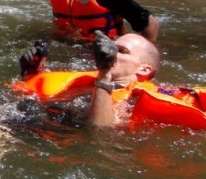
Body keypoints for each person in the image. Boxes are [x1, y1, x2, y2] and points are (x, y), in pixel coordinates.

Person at [18, 32, 165, 127]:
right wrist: (32, 72)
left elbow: (100, 131)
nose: (109, 53)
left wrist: (105, 75)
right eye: (111, 47)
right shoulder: (88, 80)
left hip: (57, 137)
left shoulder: (135, 100)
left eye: (120, 51)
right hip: (30, 118)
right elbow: (36, 98)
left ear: (144, 69)